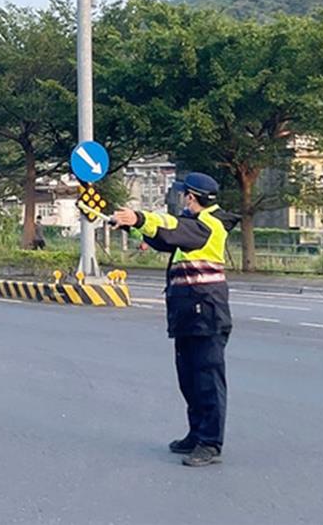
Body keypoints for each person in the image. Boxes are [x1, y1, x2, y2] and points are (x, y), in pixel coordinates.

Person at [111, 172, 240, 467]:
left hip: (206, 312)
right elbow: (166, 239)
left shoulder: (209, 225)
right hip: (188, 313)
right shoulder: (193, 228)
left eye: (183, 195)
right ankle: (196, 434)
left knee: (207, 379)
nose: (181, 199)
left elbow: (172, 226)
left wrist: (141, 217)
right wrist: (131, 228)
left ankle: (210, 443)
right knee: (189, 378)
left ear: (191, 197)